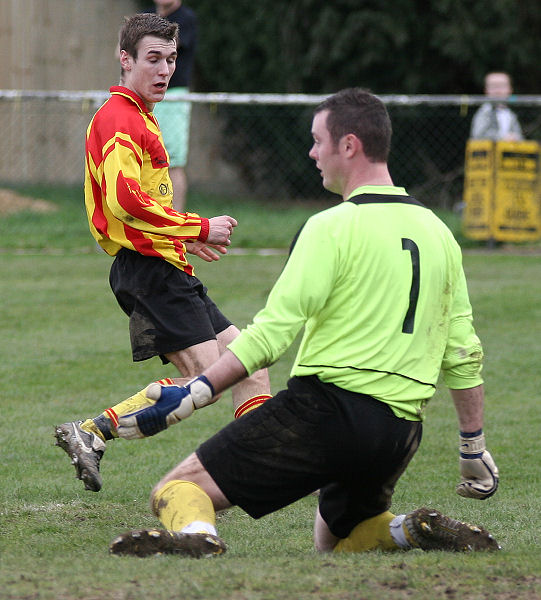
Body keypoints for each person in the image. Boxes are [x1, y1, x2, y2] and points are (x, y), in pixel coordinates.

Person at [106, 88, 501, 558]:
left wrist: (195, 393)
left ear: (349, 145)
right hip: (400, 430)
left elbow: (272, 333)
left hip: (327, 412)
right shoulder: (439, 233)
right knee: (333, 540)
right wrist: (472, 447)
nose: (312, 152)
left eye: (318, 141)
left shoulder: (330, 226)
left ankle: (198, 538)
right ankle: (406, 530)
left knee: (176, 491)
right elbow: (463, 353)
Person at [54, 13, 270, 493]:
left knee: (247, 359)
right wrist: (198, 225)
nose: (164, 69)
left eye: (171, 59)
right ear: (125, 60)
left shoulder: (139, 115)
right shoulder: (118, 118)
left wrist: (183, 239)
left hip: (163, 261)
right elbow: (124, 202)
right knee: (204, 373)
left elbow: (142, 207)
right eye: (153, 59)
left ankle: (265, 458)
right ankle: (93, 430)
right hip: (148, 271)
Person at [150, 0, 197, 212]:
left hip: (173, 97)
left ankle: (175, 223)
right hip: (146, 97)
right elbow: (122, 51)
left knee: (172, 162)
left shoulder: (185, 19)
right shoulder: (146, 16)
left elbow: (163, 49)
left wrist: (141, 44)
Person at [470, 72, 523, 141]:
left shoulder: (510, 114)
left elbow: (519, 135)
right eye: (493, 86)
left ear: (510, 89)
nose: (498, 91)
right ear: (486, 90)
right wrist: (502, 137)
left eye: (502, 86)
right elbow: (478, 134)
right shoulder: (485, 111)